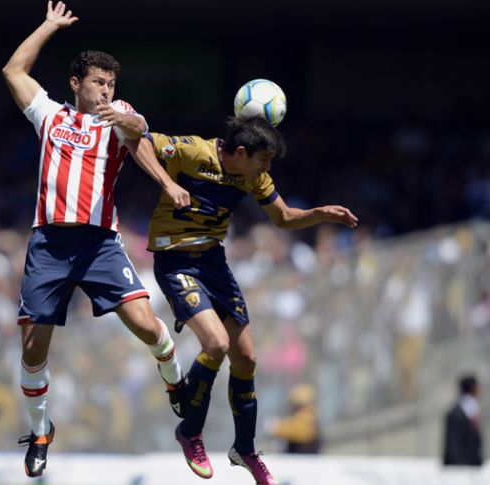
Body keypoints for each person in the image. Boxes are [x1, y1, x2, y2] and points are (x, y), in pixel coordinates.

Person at [2, 1, 191, 477]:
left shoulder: (118, 114)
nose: (106, 90)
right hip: (48, 244)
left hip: (99, 244)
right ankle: (42, 430)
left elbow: (138, 131)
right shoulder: (49, 116)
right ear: (76, 84)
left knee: (147, 326)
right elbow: (13, 70)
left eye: (111, 83)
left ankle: (176, 383)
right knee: (32, 348)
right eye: (98, 83)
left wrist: (167, 184)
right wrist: (48, 26)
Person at [127, 115, 358, 484]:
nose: (267, 169)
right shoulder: (192, 150)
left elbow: (282, 217)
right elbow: (137, 140)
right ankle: (190, 432)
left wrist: (318, 214)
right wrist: (167, 182)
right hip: (175, 261)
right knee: (216, 343)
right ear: (239, 152)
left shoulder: (252, 174)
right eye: (263, 160)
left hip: (214, 263)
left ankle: (245, 449)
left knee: (247, 357)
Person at [266, 383, 321, 454]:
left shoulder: (310, 417)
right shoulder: (297, 417)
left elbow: (302, 432)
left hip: (305, 459)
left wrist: (277, 428)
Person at [443, 373, 484, 466]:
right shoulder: (455, 414)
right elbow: (452, 447)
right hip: (460, 470)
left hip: (472, 467)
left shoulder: (473, 410)